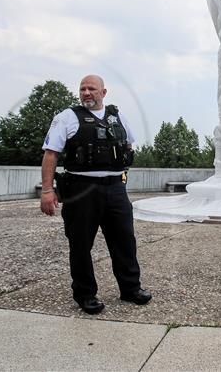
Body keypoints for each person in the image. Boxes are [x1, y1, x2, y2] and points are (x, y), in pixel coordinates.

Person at [40, 74, 151, 314]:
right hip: (81, 190)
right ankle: (85, 294)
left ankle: (131, 289)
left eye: (91, 89)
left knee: (124, 241)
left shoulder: (117, 116)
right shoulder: (67, 117)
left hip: (115, 189)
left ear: (103, 92)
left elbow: (128, 145)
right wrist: (48, 190)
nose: (86, 93)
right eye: (82, 89)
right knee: (80, 244)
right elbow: (50, 154)